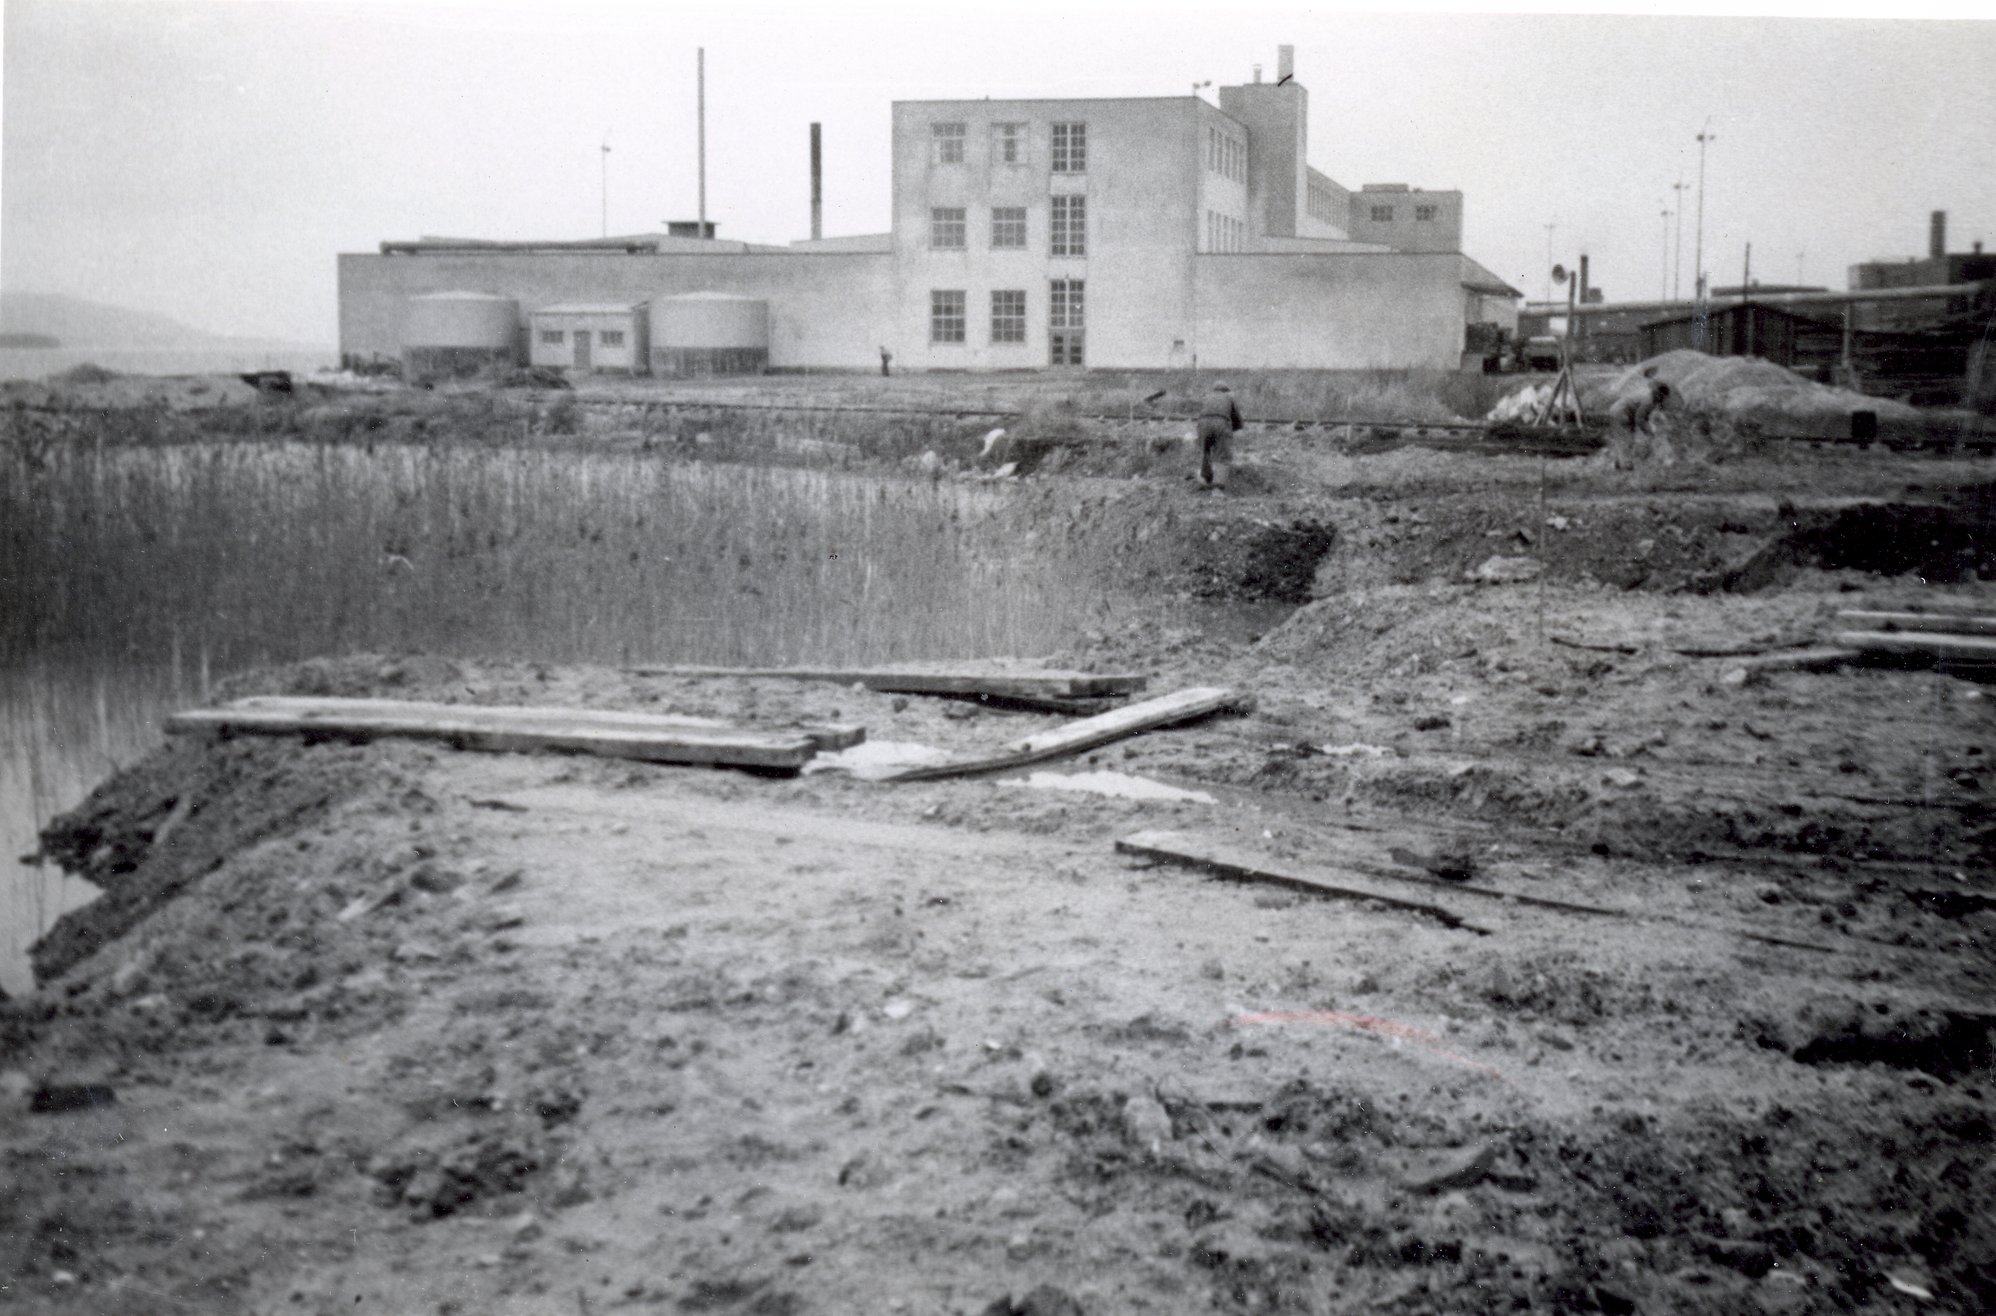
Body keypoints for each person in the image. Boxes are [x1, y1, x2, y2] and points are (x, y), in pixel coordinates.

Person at [1196, 381, 1243, 489]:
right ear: (1226, 390)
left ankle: (1205, 479)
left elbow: (1202, 413)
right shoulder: (1229, 397)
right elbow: (1237, 419)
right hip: (1220, 423)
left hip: (1202, 424)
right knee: (1223, 455)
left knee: (1205, 451)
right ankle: (1218, 485)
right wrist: (1233, 430)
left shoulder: (1206, 397)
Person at [1607, 366, 1671, 434]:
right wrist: (1650, 432)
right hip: (1621, 411)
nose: (1663, 400)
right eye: (1662, 397)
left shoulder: (1650, 395)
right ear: (1657, 394)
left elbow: (1645, 415)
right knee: (1627, 433)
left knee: (1630, 431)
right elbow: (1640, 419)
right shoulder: (1648, 400)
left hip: (1621, 409)